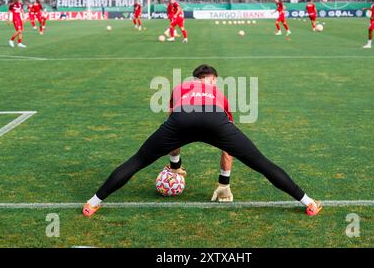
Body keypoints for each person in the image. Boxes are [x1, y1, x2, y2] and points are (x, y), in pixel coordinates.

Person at [83, 65, 322, 217]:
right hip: (214, 119)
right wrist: (224, 182)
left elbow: (172, 127)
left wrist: (175, 165)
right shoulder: (219, 94)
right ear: (206, 80)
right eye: (213, 80)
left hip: (181, 119)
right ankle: (308, 202)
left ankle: (92, 203)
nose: (214, 84)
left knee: (137, 161)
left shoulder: (180, 87)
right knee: (262, 163)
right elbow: (228, 148)